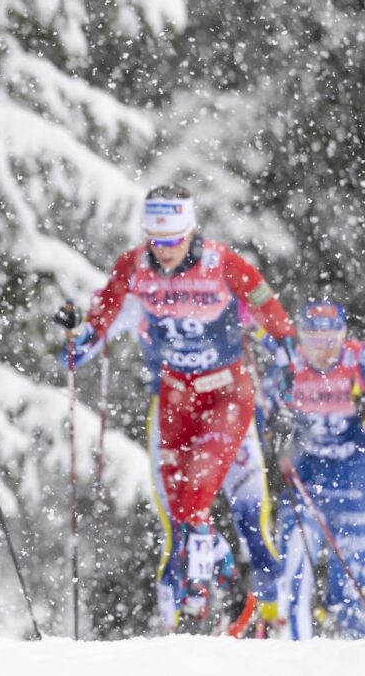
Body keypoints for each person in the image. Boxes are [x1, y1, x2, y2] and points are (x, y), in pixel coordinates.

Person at [55, 185, 296, 633]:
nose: (163, 251)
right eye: (155, 240)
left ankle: (218, 600)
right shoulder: (135, 266)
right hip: (173, 398)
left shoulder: (222, 263)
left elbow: (269, 310)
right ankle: (210, 581)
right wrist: (78, 336)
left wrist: (286, 352)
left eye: (173, 240)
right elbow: (100, 318)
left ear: (190, 231)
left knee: (201, 494)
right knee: (183, 512)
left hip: (226, 394)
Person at [269, 301, 365, 639]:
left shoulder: (357, 359)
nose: (322, 351)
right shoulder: (289, 364)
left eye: (330, 341)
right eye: (313, 341)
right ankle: (295, 654)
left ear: (343, 336)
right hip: (306, 479)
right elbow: (261, 403)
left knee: (352, 581)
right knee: (293, 570)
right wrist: (275, 423)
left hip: (355, 482)